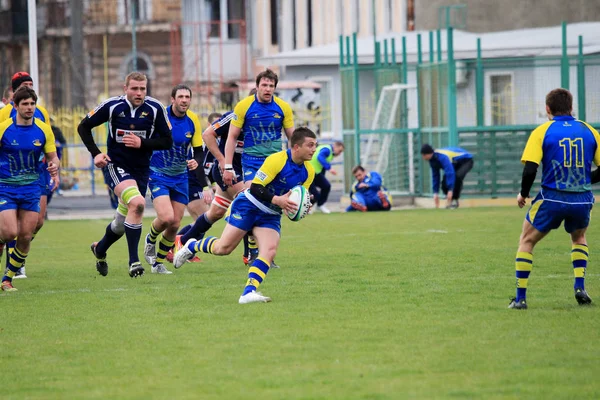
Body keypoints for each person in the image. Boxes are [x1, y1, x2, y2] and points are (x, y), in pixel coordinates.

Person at [173, 127, 317, 304]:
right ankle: (192, 245)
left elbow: (297, 195)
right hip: (249, 204)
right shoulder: (277, 160)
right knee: (223, 249)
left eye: (315, 145)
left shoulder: (309, 172)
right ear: (296, 147)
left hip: (270, 214)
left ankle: (248, 292)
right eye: (310, 145)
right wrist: (278, 200)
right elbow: (256, 187)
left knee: (269, 251)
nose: (314, 149)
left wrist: (296, 208)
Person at [509, 88, 598, 310]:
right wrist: (584, 180)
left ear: (547, 109)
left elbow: (531, 168)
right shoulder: (589, 131)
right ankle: (580, 287)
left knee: (527, 240)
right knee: (579, 238)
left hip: (552, 198)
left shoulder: (542, 131)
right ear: (571, 107)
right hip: (581, 199)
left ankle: (520, 298)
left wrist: (524, 193)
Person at [78, 72, 172, 278]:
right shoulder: (112, 106)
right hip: (116, 165)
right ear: (125, 88)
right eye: (134, 89)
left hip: (141, 169)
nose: (139, 93)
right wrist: (96, 154)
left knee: (121, 224)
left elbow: (167, 141)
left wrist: (143, 143)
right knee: (138, 203)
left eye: (143, 89)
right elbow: (83, 126)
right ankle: (134, 262)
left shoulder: (155, 109)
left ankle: (100, 248)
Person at [173, 90, 255, 265]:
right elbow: (207, 135)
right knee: (253, 204)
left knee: (214, 213)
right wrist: (224, 162)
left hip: (246, 172)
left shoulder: (267, 122)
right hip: (229, 172)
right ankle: (250, 255)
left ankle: (183, 240)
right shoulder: (234, 117)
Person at [222, 69, 294, 267]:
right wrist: (228, 166)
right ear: (257, 86)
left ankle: (263, 255)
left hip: (275, 163)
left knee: (271, 207)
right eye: (264, 85)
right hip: (252, 162)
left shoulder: (283, 108)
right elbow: (232, 137)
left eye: (271, 86)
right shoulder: (244, 106)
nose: (268, 89)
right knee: (254, 199)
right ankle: (254, 251)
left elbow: (292, 138)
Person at [0, 87, 59, 291]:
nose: (29, 107)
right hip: (6, 186)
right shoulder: (4, 128)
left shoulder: (43, 129)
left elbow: (53, 157)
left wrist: (55, 168)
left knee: (26, 235)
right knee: (9, 232)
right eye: (25, 104)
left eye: (32, 104)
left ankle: (7, 279)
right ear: (15, 106)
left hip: (32, 187)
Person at [142, 84, 206, 274]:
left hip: (180, 176)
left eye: (187, 97)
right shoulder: (160, 116)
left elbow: (199, 151)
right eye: (181, 97)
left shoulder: (193, 119)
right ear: (173, 99)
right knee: (166, 217)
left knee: (176, 223)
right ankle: (150, 239)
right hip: (158, 174)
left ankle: (158, 263)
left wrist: (196, 161)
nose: (184, 100)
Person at [420, 144, 473, 209]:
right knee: (444, 183)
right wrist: (435, 193)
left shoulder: (442, 157)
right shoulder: (432, 160)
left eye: (424, 155)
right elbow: (435, 176)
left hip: (466, 161)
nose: (423, 157)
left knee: (456, 177)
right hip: (455, 164)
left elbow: (450, 172)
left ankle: (454, 200)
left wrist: (450, 190)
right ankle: (450, 200)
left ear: (429, 154)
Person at [309, 141, 344, 214]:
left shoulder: (329, 152)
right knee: (316, 194)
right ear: (335, 146)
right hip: (308, 172)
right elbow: (319, 157)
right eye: (340, 151)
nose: (340, 153)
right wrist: (329, 168)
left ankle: (320, 205)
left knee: (326, 186)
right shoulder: (327, 150)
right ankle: (306, 208)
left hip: (316, 173)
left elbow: (322, 166)